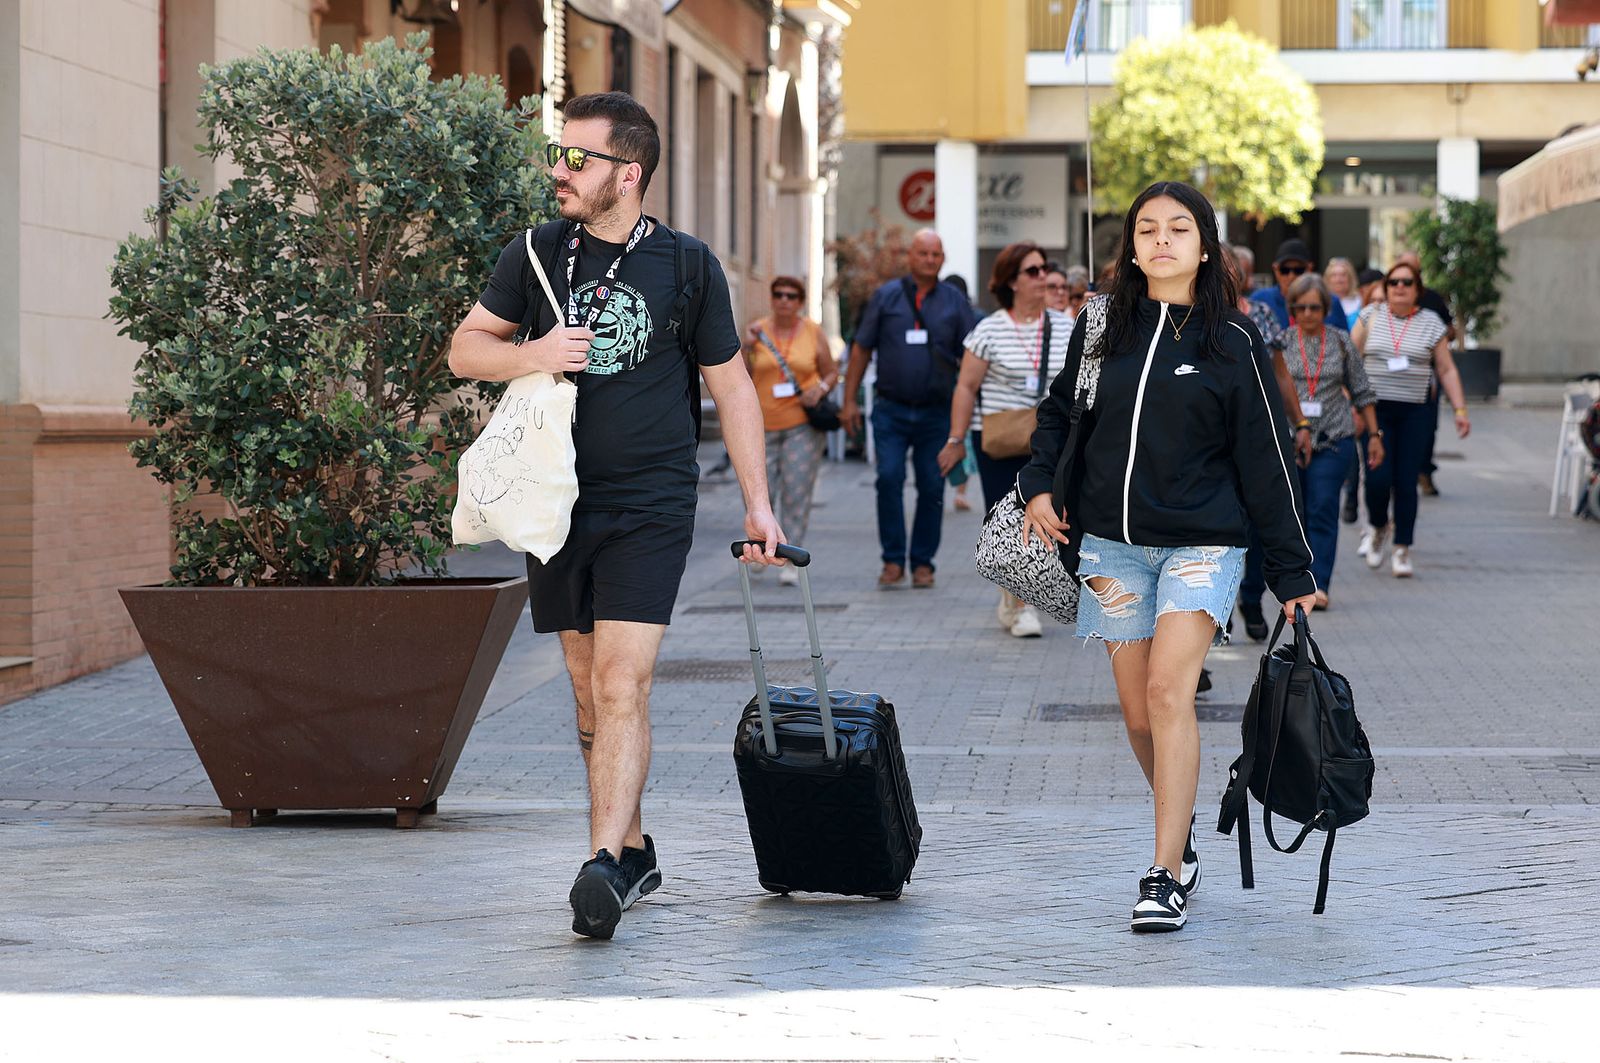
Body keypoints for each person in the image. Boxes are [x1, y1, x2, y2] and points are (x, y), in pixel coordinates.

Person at [449, 91, 784, 940]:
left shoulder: (687, 265)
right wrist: (533, 351)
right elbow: (465, 349)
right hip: (553, 503)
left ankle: (600, 864)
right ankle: (631, 847)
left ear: (628, 173)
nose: (558, 170)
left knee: (620, 680)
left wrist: (758, 504)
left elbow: (732, 387)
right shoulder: (534, 252)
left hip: (651, 503)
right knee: (586, 693)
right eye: (558, 154)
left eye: (578, 158)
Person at [1020, 181, 1316, 933]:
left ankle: (1162, 873)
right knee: (1137, 714)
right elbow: (1059, 414)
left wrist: (1292, 572)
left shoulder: (1232, 341)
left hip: (1203, 546)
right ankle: (1179, 835)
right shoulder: (1100, 327)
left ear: (1205, 246)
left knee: (1165, 693)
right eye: (1147, 228)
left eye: (1178, 228)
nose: (1161, 240)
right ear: (1131, 245)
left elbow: (1268, 459)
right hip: (1111, 549)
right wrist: (1036, 485)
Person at [938, 241, 1073, 638]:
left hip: (1053, 441)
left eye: (1044, 269)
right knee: (1010, 520)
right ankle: (1020, 605)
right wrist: (956, 439)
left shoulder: (1066, 326)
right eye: (1032, 271)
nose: (1042, 276)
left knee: (1053, 516)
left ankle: (1021, 596)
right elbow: (966, 387)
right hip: (999, 440)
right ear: (1011, 281)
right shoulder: (989, 330)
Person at [841, 231, 978, 589]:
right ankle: (892, 560)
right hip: (891, 409)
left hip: (936, 413)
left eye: (936, 254)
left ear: (943, 258)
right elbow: (861, 349)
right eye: (923, 253)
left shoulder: (954, 301)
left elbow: (973, 354)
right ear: (910, 256)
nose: (930, 260)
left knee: (932, 485)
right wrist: (849, 400)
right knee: (888, 478)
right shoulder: (885, 296)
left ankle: (922, 563)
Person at [1350, 260, 1471, 577]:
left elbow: (1446, 369)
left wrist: (1460, 410)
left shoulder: (1431, 322)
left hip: (1415, 412)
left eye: (1407, 282)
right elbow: (1350, 362)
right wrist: (1349, 405)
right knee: (1377, 479)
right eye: (1394, 282)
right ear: (1386, 288)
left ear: (1418, 290)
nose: (1400, 288)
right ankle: (1378, 526)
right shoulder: (1370, 316)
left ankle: (1402, 547)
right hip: (1375, 412)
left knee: (1406, 481)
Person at [1280, 272, 1383, 609]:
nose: (1308, 314)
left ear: (1325, 308)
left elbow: (1362, 390)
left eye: (1315, 307)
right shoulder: (1281, 343)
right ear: (1293, 309)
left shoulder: (1340, 342)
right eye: (1301, 307)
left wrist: (1374, 435)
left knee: (1323, 506)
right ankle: (1295, 581)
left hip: (1334, 438)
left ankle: (1319, 583)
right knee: (1295, 513)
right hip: (1290, 440)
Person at [1229, 245, 1312, 642]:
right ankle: (1219, 608)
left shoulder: (1261, 314)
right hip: (1217, 444)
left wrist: (1299, 421)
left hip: (1259, 432)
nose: (1233, 277)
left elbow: (1280, 374)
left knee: (1262, 524)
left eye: (1239, 271)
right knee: (1229, 528)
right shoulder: (1194, 316)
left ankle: (1250, 597)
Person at [743, 276, 838, 587]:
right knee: (760, 494)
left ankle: (791, 559)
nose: (785, 300)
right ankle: (760, 549)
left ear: (800, 302)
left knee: (797, 493)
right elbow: (738, 375)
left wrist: (820, 389)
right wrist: (746, 345)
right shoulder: (757, 331)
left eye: (792, 296)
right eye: (779, 295)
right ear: (772, 299)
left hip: (801, 427)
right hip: (759, 427)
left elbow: (831, 372)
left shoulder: (812, 332)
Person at [1394, 251, 1456, 498]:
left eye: (1412, 276)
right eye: (1397, 278)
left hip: (1424, 375)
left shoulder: (1432, 300)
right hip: (1389, 379)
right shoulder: (1383, 303)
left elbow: (1450, 332)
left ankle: (1423, 471)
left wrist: (1435, 338)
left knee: (1426, 427)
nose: (1402, 285)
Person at [1251, 238, 1349, 332]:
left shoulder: (1331, 302)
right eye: (1284, 270)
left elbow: (1344, 340)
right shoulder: (1260, 300)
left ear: (1309, 269)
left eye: (1299, 270)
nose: (1291, 276)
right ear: (1275, 269)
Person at [1324, 257, 1363, 323]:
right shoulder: (1323, 302)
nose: (1338, 279)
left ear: (1350, 278)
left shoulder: (1360, 301)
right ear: (1328, 279)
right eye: (1334, 275)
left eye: (1343, 275)